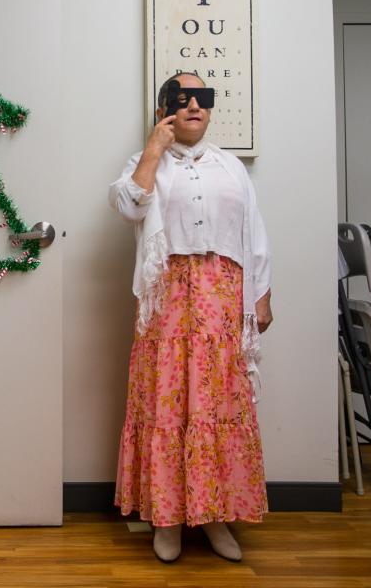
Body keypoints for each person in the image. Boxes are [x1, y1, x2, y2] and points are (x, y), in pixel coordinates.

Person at [109, 72, 272, 563]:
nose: (194, 107)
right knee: (168, 403)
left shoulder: (230, 167)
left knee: (217, 404)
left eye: (203, 99)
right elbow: (127, 206)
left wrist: (260, 295)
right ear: (166, 108)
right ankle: (167, 520)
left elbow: (254, 232)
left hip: (222, 300)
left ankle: (217, 517)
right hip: (168, 299)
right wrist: (154, 149)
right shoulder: (146, 164)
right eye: (183, 100)